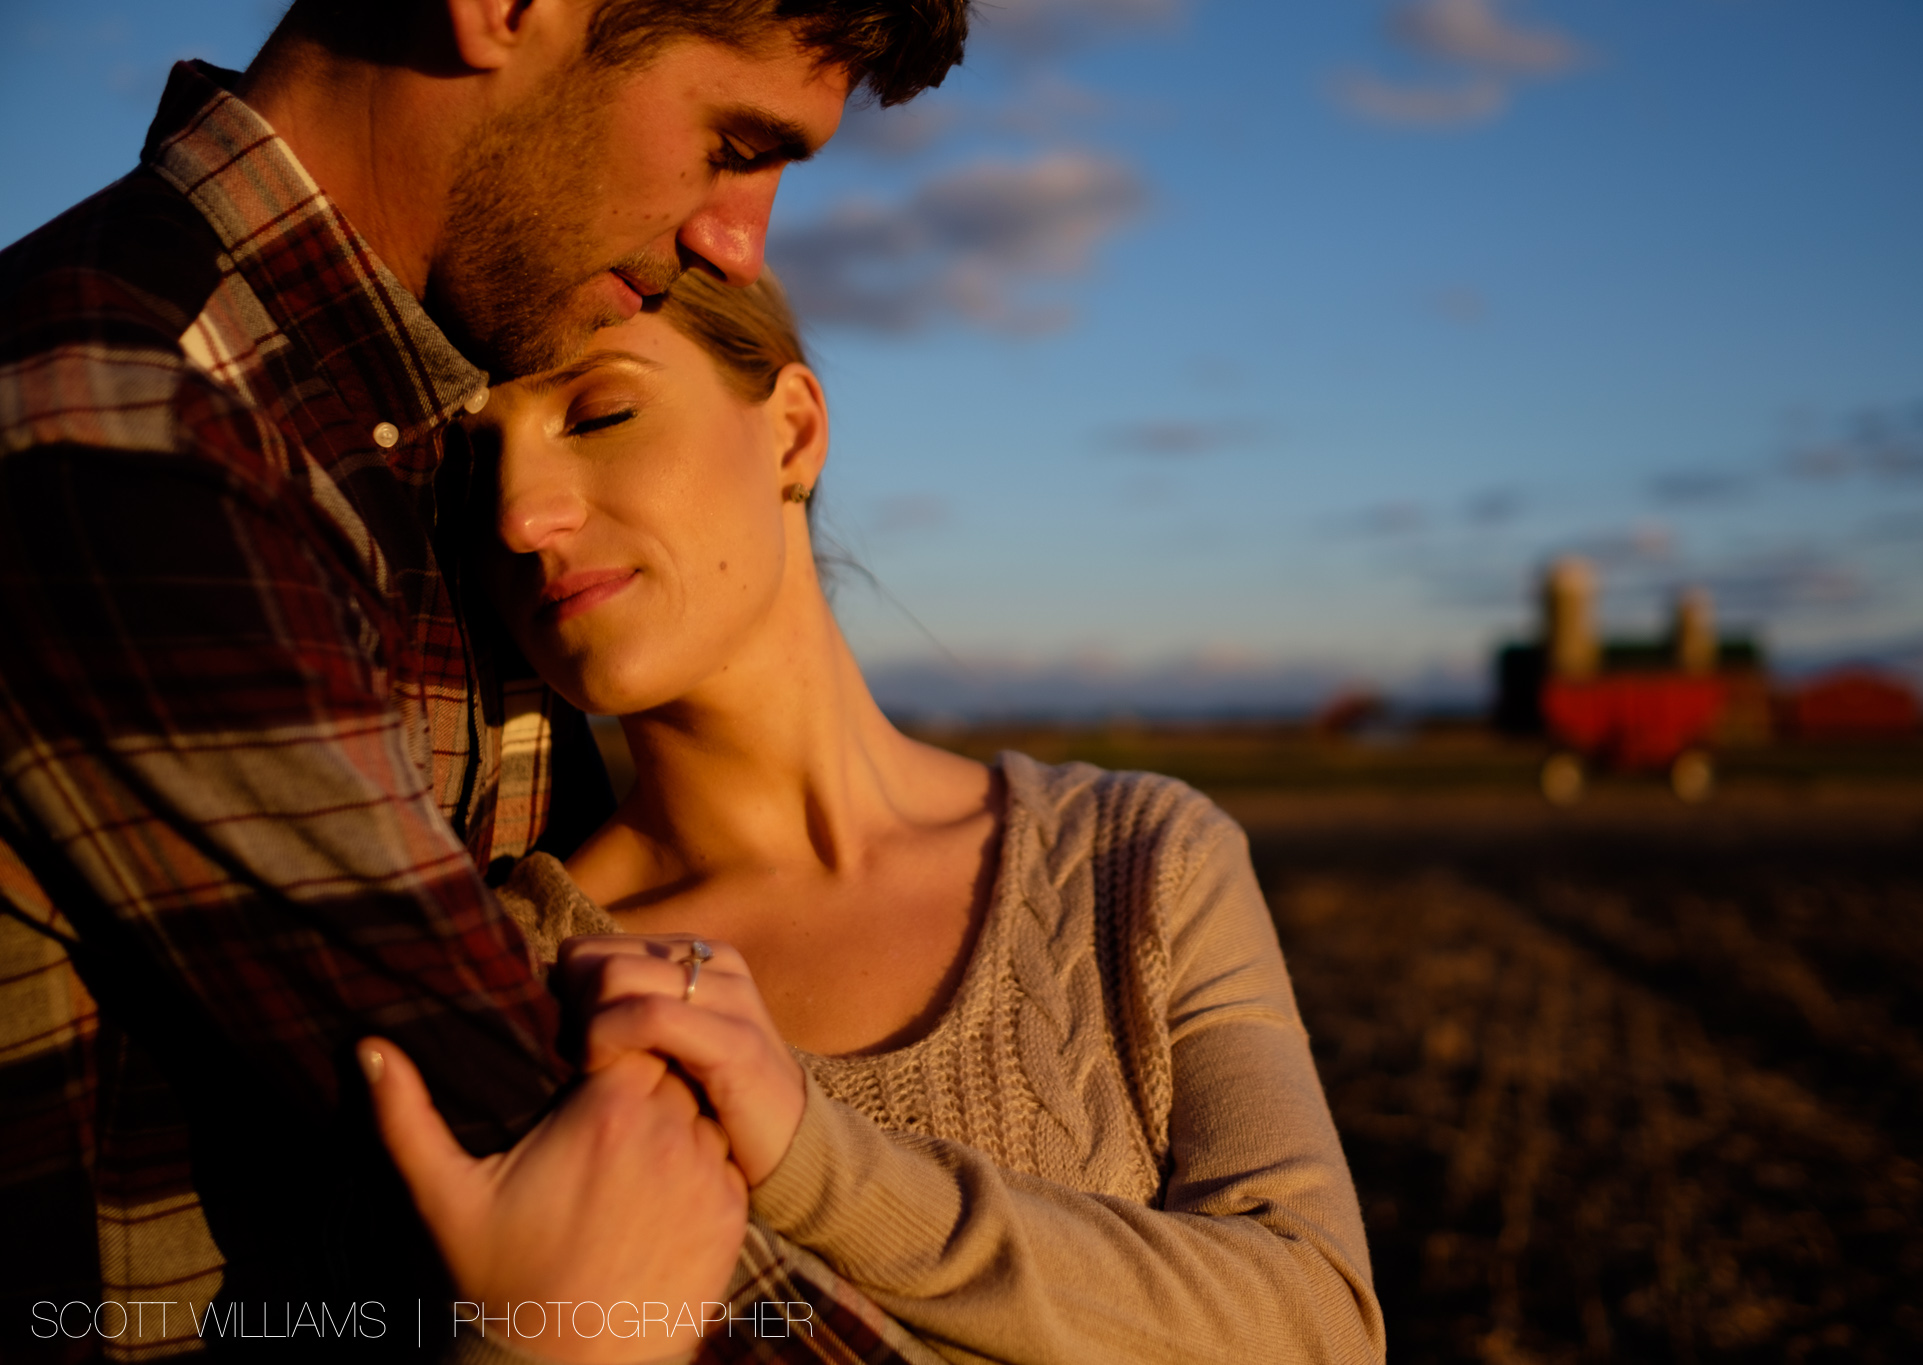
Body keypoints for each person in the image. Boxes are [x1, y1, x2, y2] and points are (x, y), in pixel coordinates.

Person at [0, 1, 966, 1359]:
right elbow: (580, 1189)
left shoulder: (418, 435)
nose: (738, 243)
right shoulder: (121, 424)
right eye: (731, 141)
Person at [370, 268, 1387, 1364]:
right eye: (474, 465)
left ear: (792, 435)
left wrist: (813, 1161)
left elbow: (1315, 1319)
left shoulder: (1135, 860)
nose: (521, 515)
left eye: (600, 410)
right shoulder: (524, 972)